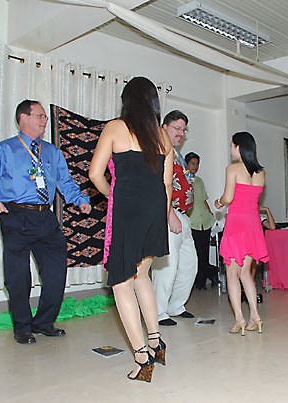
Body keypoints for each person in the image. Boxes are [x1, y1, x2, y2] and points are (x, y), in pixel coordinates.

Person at [0, 100, 91, 345]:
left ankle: (44, 322)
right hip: (15, 215)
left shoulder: (51, 152)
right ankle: (22, 326)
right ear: (23, 118)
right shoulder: (4, 150)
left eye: (45, 117)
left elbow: (65, 181)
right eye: (40, 116)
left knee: (56, 272)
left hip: (45, 216)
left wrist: (79, 199)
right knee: (18, 277)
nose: (44, 121)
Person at [89, 77, 172, 382]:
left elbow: (94, 174)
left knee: (121, 282)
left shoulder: (115, 127)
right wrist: (159, 217)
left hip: (127, 209)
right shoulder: (162, 136)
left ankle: (141, 356)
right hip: (155, 211)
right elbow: (166, 184)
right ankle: (156, 342)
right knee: (142, 277)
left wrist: (113, 194)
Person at [214, 131, 268, 335]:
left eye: (231, 145)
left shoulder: (233, 169)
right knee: (246, 273)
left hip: (237, 223)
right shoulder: (261, 173)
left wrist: (218, 202)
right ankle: (256, 316)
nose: (230, 149)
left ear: (238, 147)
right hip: (253, 223)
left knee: (232, 273)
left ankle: (239, 319)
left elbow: (228, 198)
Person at [151, 110, 198, 326]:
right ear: (164, 127)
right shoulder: (159, 149)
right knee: (166, 267)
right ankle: (158, 312)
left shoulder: (176, 152)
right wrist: (169, 214)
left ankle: (176, 306)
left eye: (184, 129)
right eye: (177, 128)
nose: (181, 133)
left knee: (189, 265)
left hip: (183, 216)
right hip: (167, 214)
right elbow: (158, 184)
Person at [185, 152, 218, 290]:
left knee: (204, 253)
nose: (195, 166)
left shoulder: (199, 181)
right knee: (195, 254)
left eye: (197, 164)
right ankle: (209, 274)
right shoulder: (183, 181)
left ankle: (202, 281)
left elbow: (204, 200)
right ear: (186, 164)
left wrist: (210, 214)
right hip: (192, 222)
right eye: (192, 163)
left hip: (205, 221)